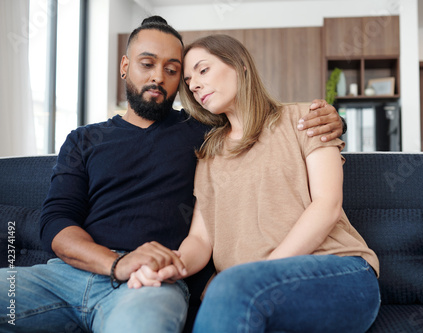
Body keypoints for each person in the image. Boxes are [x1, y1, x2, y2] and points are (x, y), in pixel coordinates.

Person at [0, 17, 344, 333]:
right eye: (147, 64)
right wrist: (116, 263)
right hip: (64, 277)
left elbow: (260, 120)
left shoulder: (206, 134)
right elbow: (56, 223)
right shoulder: (84, 139)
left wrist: (328, 117)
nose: (158, 77)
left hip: (150, 284)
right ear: (125, 66)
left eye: (173, 69)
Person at [129, 34, 381, 332]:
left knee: (229, 286)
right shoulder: (209, 154)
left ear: (240, 65)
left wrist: (254, 274)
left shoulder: (305, 119)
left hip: (339, 271)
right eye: (188, 80)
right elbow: (201, 239)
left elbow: (327, 206)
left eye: (203, 70)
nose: (194, 84)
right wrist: (171, 266)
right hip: (250, 289)